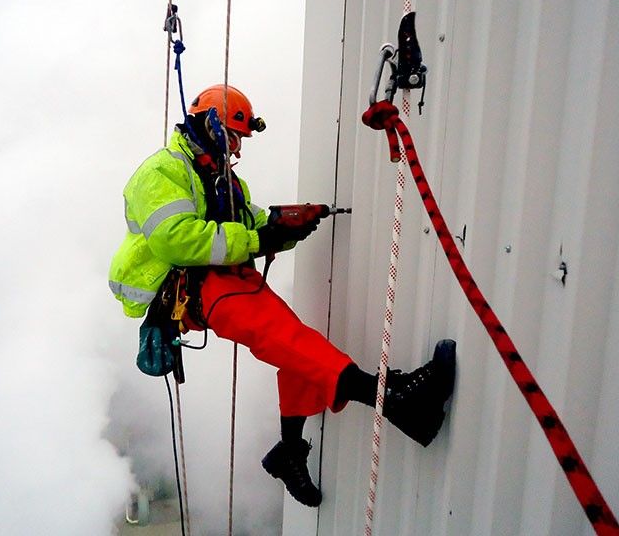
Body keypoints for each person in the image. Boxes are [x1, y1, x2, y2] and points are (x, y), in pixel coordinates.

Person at [109, 84, 456, 507]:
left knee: (291, 345)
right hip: (186, 287)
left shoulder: (222, 179)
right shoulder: (162, 172)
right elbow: (175, 240)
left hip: (220, 279)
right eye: (234, 137)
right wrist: (264, 236)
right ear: (212, 126)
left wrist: (288, 225)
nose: (237, 149)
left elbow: (253, 223)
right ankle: (394, 399)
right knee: (286, 339)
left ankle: (290, 450)